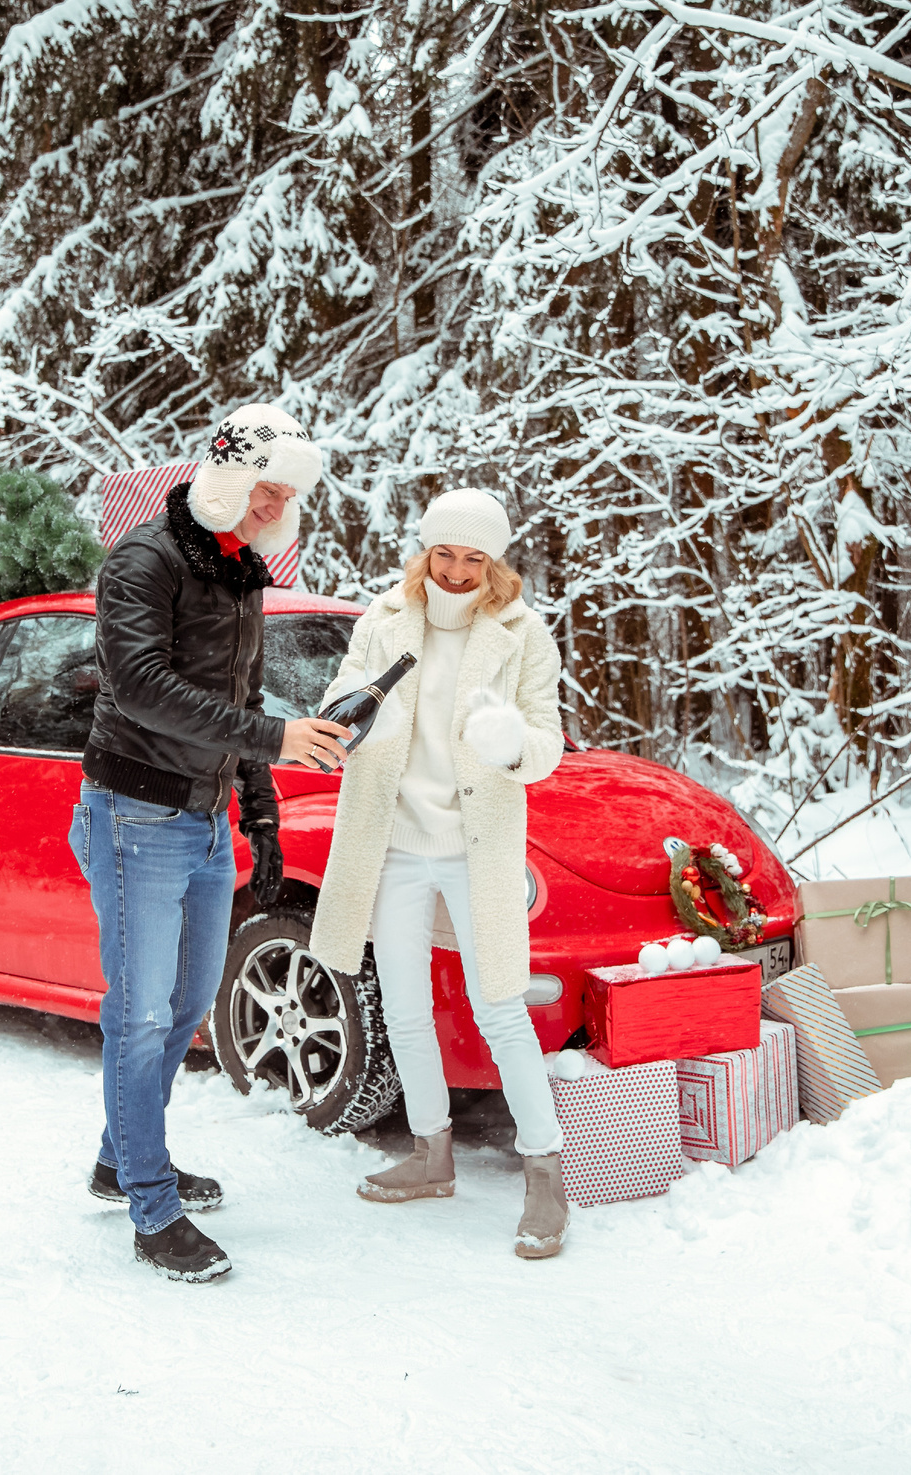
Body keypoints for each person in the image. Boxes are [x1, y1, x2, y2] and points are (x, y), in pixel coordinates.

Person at [74, 405, 351, 1282]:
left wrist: (260, 810)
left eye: (288, 492)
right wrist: (272, 741)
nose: (277, 504)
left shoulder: (242, 571)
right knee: (140, 1011)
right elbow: (142, 686)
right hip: (134, 814)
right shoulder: (143, 561)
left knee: (189, 1004)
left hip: (203, 817)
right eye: (266, 486)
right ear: (229, 476)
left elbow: (245, 687)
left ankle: (122, 1157)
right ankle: (151, 1206)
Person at [308, 489, 571, 1259]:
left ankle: (545, 1175)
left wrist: (509, 740)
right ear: (424, 554)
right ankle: (431, 1152)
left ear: (495, 564)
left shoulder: (523, 635)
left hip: (474, 847)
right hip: (392, 844)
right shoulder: (383, 619)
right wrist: (364, 717)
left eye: (474, 557)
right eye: (445, 554)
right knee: (405, 1006)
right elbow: (336, 706)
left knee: (501, 1010)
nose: (457, 571)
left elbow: (548, 743)